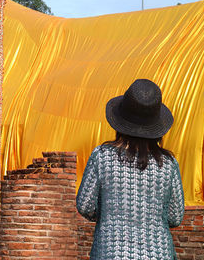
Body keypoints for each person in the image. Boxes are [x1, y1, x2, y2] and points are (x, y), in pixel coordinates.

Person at [77, 79, 185, 260]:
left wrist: (110, 213)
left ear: (120, 120)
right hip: (158, 254)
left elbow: (85, 205)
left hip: (111, 253)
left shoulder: (102, 156)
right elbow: (175, 217)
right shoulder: (168, 163)